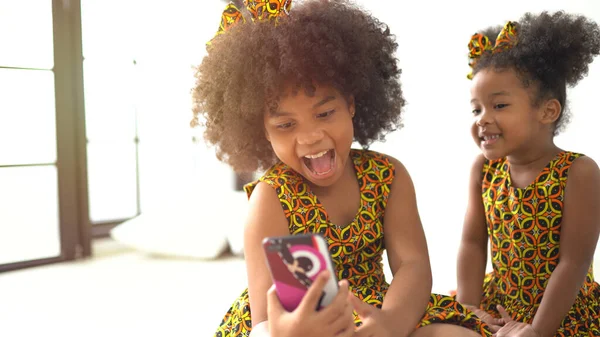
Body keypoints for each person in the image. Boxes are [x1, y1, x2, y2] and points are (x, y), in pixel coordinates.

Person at [194, 1, 491, 336]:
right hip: (296, 324)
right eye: (285, 125)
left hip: (384, 308)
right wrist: (294, 330)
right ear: (262, 131)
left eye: (324, 114)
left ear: (350, 103)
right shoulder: (271, 198)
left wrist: (392, 323)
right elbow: (264, 320)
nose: (310, 137)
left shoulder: (388, 176)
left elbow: (412, 265)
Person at [456, 10, 600, 337]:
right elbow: (472, 243)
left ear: (547, 111)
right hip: (499, 304)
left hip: (559, 314)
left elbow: (573, 264)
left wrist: (536, 330)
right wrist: (468, 308)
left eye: (500, 106)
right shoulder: (484, 169)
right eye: (476, 108)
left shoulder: (578, 172)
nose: (482, 119)